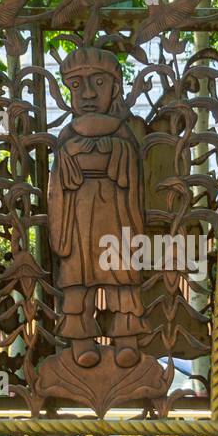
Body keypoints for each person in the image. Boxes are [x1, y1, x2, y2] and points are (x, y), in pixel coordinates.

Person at [48, 46, 148, 368]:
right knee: (77, 280)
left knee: (121, 277)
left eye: (99, 83)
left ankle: (126, 339)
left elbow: (132, 172)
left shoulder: (123, 133)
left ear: (115, 87)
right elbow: (57, 187)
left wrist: (115, 151)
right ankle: (81, 341)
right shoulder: (67, 135)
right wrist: (68, 157)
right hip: (76, 219)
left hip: (115, 216)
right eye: (77, 85)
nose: (88, 93)